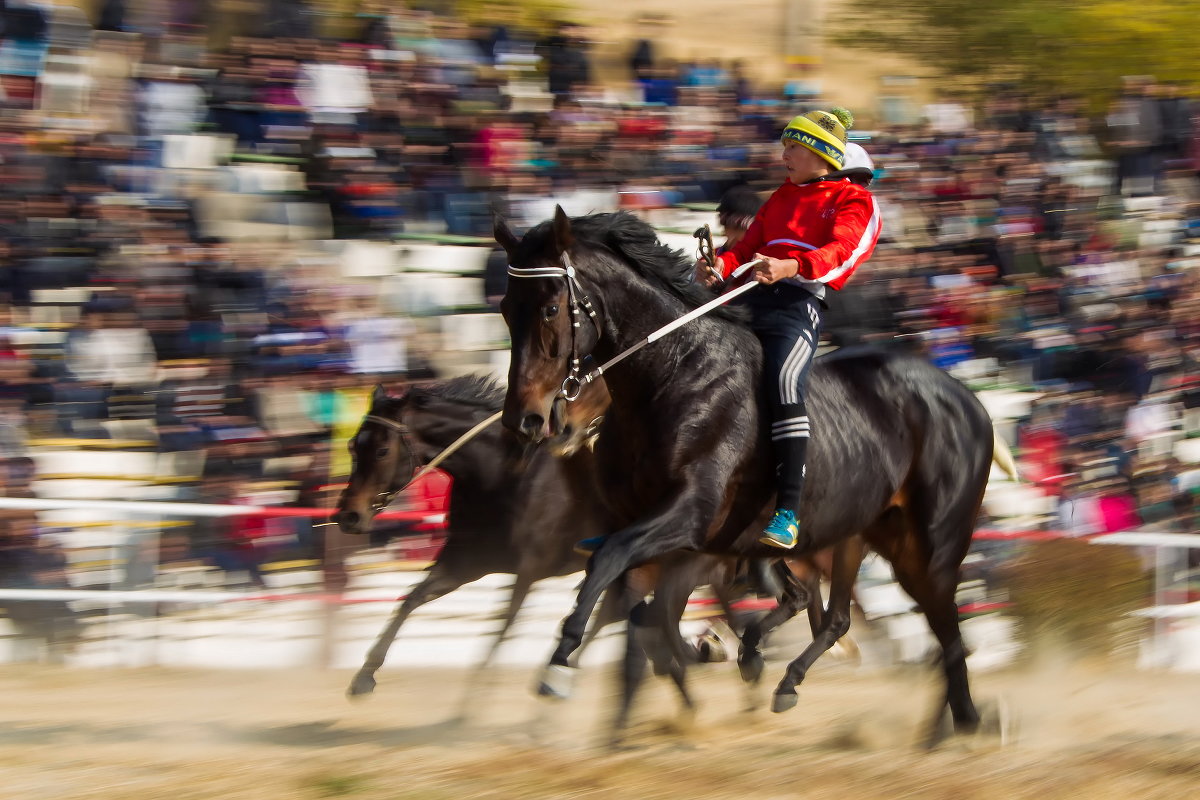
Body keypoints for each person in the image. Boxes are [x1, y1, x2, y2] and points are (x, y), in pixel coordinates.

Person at [699, 108, 881, 549]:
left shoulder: (854, 200)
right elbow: (745, 248)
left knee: (783, 381)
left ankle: (788, 510)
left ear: (819, 152)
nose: (784, 154)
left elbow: (843, 250)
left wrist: (791, 266)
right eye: (786, 145)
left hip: (796, 307)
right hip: (747, 299)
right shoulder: (780, 197)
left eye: (793, 146)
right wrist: (717, 266)